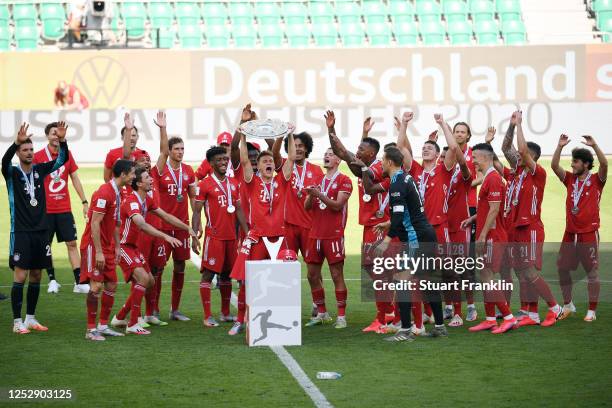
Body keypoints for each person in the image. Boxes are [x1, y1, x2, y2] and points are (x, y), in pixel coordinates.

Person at [325, 110, 394, 334]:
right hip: (369, 226)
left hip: (381, 225)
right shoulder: (364, 167)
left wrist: (347, 149)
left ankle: (386, 316)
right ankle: (386, 314)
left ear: (372, 153)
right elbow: (344, 154)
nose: (358, 152)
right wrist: (331, 130)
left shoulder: (377, 168)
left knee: (381, 271)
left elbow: (348, 156)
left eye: (362, 150)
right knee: (370, 269)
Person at [111, 167, 197, 335]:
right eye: (147, 177)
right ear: (139, 183)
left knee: (149, 281)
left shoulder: (146, 199)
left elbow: (165, 216)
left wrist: (187, 227)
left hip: (133, 247)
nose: (151, 180)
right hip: (123, 247)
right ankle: (133, 323)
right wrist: (166, 237)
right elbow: (142, 225)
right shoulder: (132, 201)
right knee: (143, 278)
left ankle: (121, 317)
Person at [2, 122, 68, 334]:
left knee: (37, 276)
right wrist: (15, 143)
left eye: (31, 149)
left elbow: (61, 159)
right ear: (19, 153)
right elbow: (3, 161)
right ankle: (16, 322)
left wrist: (63, 141)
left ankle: (30, 318)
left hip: (41, 231)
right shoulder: (11, 173)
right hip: (21, 232)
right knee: (20, 277)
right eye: (25, 150)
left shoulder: (40, 169)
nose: (29, 153)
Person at [228, 128, 296, 336]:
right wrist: (244, 134)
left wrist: (290, 134)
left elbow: (291, 157)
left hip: (279, 238)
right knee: (248, 281)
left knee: (282, 279)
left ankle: (279, 320)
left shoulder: (281, 181)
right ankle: (240, 320)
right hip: (258, 238)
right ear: (259, 165)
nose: (268, 163)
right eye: (264, 161)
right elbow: (244, 161)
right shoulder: (252, 182)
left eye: (270, 161)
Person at [370, 146, 442, 341]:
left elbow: (400, 215)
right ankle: (440, 326)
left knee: (402, 279)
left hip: (415, 238)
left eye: (382, 160)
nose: (381, 164)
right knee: (426, 281)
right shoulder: (406, 178)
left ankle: (405, 331)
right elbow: (409, 210)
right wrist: (388, 223)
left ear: (390, 162)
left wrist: (385, 241)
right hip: (426, 233)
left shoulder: (397, 182)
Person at [461, 143, 517, 334]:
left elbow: (494, 210)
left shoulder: (493, 178)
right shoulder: (488, 177)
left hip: (492, 235)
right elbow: (487, 208)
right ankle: (491, 319)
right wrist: (472, 218)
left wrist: (482, 235)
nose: (473, 161)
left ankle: (508, 318)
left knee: (487, 277)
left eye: (474, 157)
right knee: (485, 276)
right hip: (488, 233)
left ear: (484, 157)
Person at [552, 134, 607, 322]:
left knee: (592, 272)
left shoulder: (597, 180)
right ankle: (568, 305)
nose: (572, 165)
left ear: (586, 164)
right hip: (570, 232)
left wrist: (595, 145)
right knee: (561, 269)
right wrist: (559, 147)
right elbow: (554, 166)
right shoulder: (569, 179)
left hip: (588, 233)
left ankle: (592, 311)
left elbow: (605, 165)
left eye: (575, 162)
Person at [192, 146, 248, 327]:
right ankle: (207, 316)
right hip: (214, 237)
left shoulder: (234, 183)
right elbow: (196, 211)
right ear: (211, 163)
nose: (223, 162)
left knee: (226, 275)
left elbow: (238, 209)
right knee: (208, 275)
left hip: (231, 237)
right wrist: (194, 234)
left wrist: (247, 233)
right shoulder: (205, 185)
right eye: (219, 160)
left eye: (225, 159)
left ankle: (225, 313)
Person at [80, 159, 136, 341]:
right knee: (96, 286)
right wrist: (98, 251)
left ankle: (103, 325)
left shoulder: (118, 192)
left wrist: (118, 246)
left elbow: (116, 224)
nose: (134, 176)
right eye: (132, 173)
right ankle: (90, 330)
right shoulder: (105, 193)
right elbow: (95, 223)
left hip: (109, 246)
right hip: (94, 246)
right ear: (123, 174)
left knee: (111, 284)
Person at [33, 121, 90, 294]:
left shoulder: (67, 154)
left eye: (58, 134)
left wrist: (84, 201)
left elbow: (75, 178)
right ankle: (52, 281)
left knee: (72, 243)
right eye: (53, 133)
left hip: (64, 208)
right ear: (47, 136)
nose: (56, 136)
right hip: (45, 210)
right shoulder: (38, 156)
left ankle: (79, 282)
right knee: (46, 245)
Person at [302, 148, 352, 329]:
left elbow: (338, 206)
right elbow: (308, 207)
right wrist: (310, 195)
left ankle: (341, 316)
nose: (327, 155)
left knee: (337, 275)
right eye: (326, 153)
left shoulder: (344, 180)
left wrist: (319, 195)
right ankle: (321, 312)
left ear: (339, 160)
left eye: (331, 154)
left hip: (333, 235)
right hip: (315, 234)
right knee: (312, 275)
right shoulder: (318, 180)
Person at [153, 120, 197, 321]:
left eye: (182, 149)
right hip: (162, 226)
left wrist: (197, 222)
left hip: (181, 226)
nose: (180, 152)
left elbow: (193, 198)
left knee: (180, 265)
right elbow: (161, 152)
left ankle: (175, 309)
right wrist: (163, 128)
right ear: (169, 151)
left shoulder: (189, 171)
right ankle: (153, 309)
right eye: (177, 149)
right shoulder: (160, 170)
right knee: (159, 267)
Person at [272, 131, 324, 259]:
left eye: (300, 146)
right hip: (287, 225)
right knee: (286, 265)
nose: (297, 149)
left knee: (313, 271)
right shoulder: (285, 165)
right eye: (294, 146)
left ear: (306, 148)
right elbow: (274, 154)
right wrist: (280, 135)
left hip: (310, 225)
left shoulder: (317, 170)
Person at [103, 113, 142, 183]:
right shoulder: (112, 154)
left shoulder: (143, 154)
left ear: (137, 137)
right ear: (122, 138)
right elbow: (106, 178)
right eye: (128, 135)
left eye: (133, 135)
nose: (131, 138)